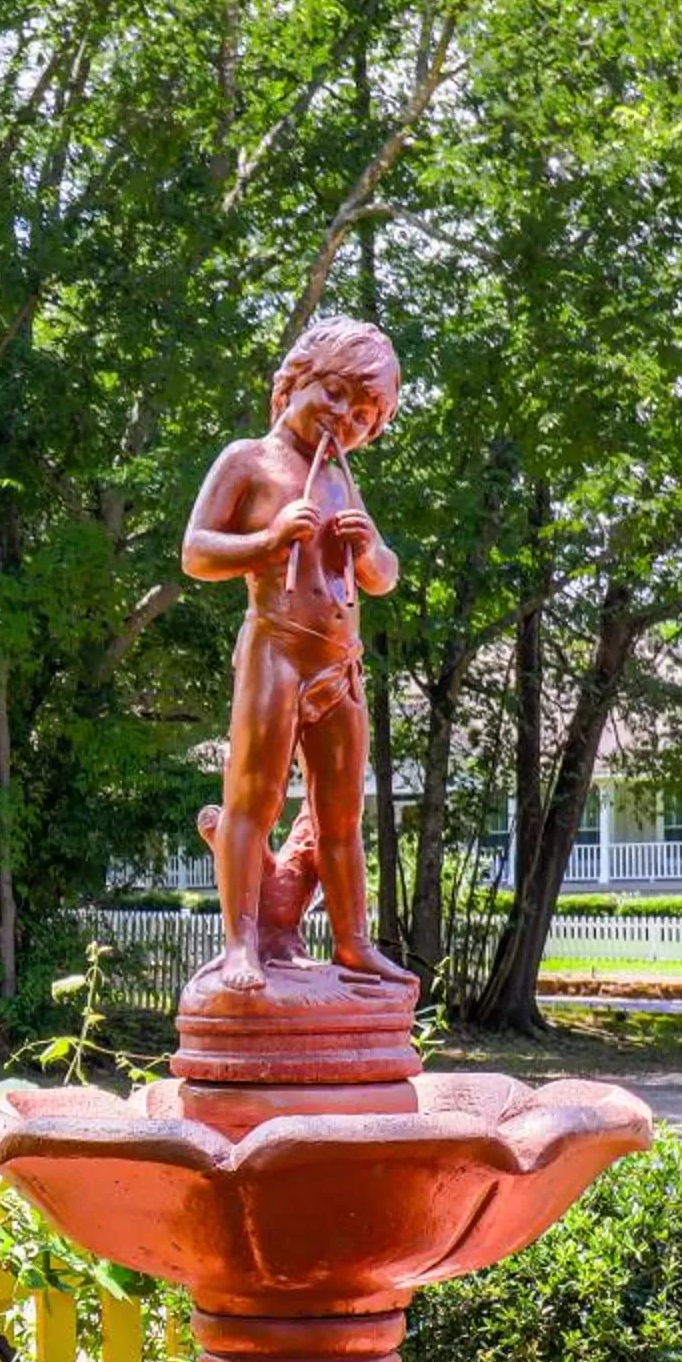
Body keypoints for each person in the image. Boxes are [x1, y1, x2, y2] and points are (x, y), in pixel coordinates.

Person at [181, 317, 418, 995]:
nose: (346, 420)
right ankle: (239, 945)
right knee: (250, 800)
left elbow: (384, 576)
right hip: (275, 652)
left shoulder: (344, 481)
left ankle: (353, 942)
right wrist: (268, 540)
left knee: (341, 816)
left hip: (340, 666)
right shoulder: (248, 461)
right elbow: (196, 552)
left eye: (366, 417)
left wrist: (370, 549)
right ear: (294, 383)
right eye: (337, 395)